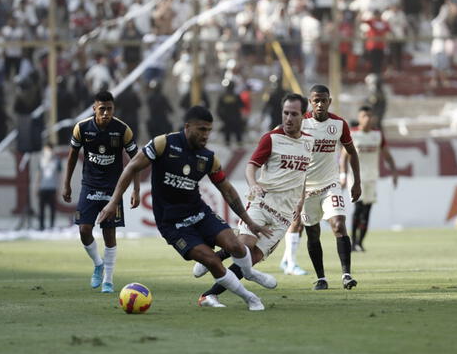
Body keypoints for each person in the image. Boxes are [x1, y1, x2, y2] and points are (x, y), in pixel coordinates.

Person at [97, 106, 277, 311]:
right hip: (172, 223)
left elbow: (227, 190)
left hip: (199, 213)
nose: (206, 135)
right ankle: (250, 298)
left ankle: (249, 272)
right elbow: (131, 167)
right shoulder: (163, 144)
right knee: (211, 260)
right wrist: (113, 202)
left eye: (209, 130)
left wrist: (250, 222)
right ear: (187, 127)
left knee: (235, 245)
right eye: (201, 129)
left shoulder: (208, 157)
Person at [191, 93, 312, 307]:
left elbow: (302, 177)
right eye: (285, 113)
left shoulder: (308, 143)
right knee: (244, 248)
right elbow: (251, 165)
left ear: (303, 115)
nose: (289, 118)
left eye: (294, 114)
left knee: (252, 258)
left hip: (284, 216)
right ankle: (215, 262)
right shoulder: (272, 138)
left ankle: (210, 293)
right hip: (262, 203)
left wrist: (301, 201)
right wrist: (253, 183)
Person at [62, 91, 141, 294]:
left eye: (109, 109)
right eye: (102, 109)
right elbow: (72, 157)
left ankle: (108, 280)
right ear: (94, 108)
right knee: (84, 230)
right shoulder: (82, 128)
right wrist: (66, 184)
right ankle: (98, 263)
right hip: (89, 185)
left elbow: (136, 161)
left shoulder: (122, 130)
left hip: (112, 189)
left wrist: (136, 189)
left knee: (109, 233)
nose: (106, 113)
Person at [286, 84, 361, 291]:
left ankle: (346, 275)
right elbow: (280, 140)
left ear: (329, 101)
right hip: (306, 190)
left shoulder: (338, 124)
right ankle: (321, 278)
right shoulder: (301, 123)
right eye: (315, 100)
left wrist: (357, 182)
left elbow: (352, 152)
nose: (320, 104)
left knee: (338, 224)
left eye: (323, 100)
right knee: (313, 233)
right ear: (310, 102)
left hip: (331, 184)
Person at [342, 106, 398, 252]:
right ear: (359, 118)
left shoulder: (377, 135)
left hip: (372, 178)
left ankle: (360, 242)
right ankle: (353, 242)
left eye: (369, 116)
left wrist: (394, 172)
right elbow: (343, 157)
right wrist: (342, 175)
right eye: (364, 116)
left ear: (372, 118)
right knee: (358, 208)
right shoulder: (353, 134)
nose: (367, 119)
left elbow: (387, 155)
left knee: (367, 210)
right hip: (355, 178)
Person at [37, 143, 62, 231]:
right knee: (41, 209)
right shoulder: (41, 160)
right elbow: (39, 174)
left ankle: (51, 225)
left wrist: (59, 188)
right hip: (43, 187)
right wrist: (37, 186)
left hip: (52, 188)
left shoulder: (57, 160)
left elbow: (59, 175)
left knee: (52, 208)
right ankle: (41, 226)